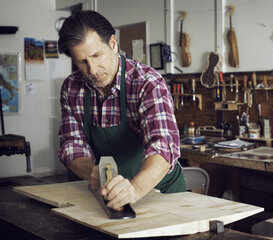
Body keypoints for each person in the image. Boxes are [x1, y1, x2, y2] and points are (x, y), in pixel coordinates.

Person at [57, 10, 185, 210]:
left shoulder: (148, 83)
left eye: (97, 55)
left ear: (113, 44)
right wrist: (92, 172)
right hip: (108, 195)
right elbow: (72, 144)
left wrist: (134, 189)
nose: (92, 70)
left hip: (160, 192)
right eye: (82, 61)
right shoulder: (72, 88)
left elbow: (163, 145)